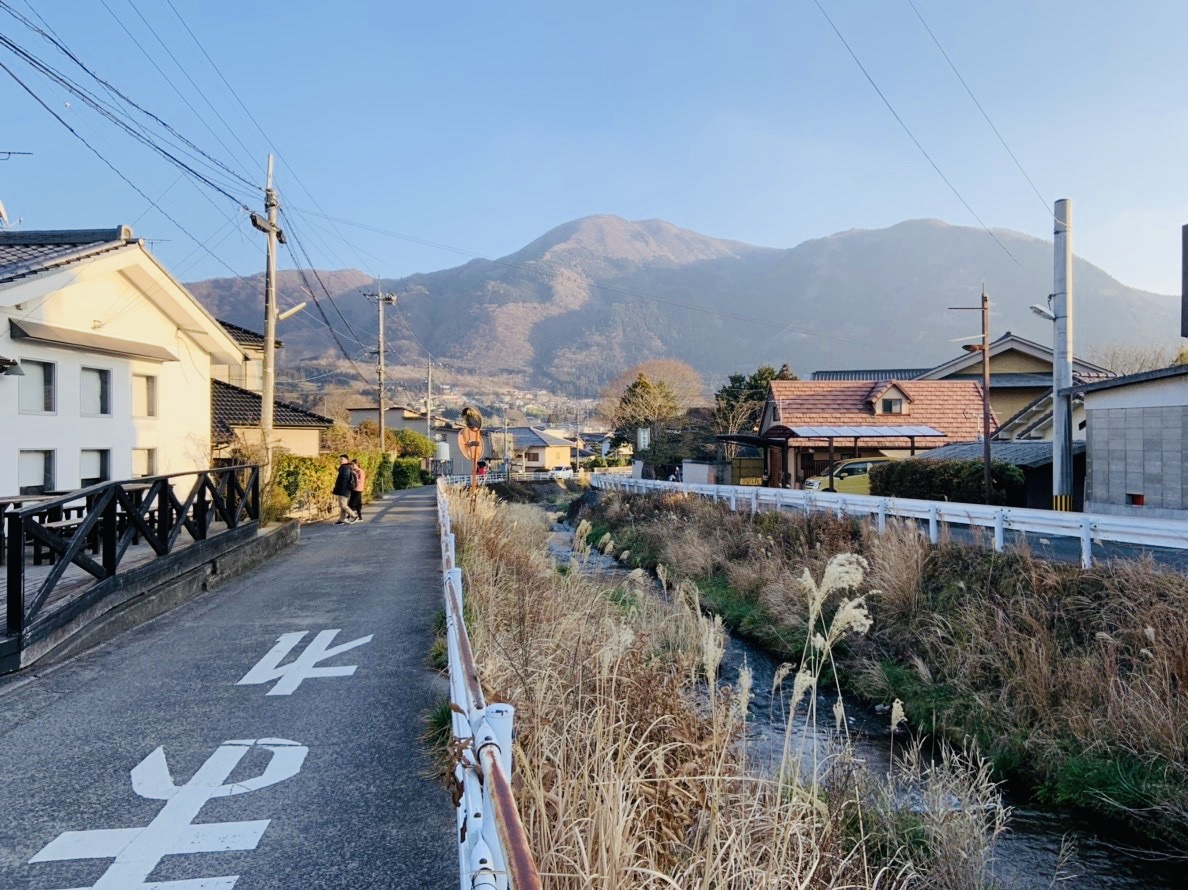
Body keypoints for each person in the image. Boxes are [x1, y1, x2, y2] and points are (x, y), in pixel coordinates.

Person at [332, 454, 356, 525]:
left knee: (343, 505)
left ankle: (354, 516)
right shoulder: (347, 467)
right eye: (340, 459)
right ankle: (341, 520)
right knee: (343, 505)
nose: (340, 460)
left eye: (342, 459)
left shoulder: (345, 468)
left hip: (343, 490)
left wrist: (340, 489)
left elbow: (344, 480)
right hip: (346, 490)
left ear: (346, 460)